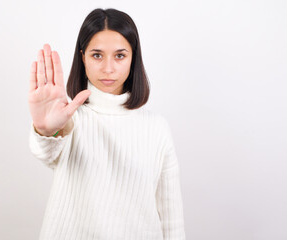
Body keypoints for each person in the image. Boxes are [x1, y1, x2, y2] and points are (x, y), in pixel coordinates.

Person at [28, 8, 186, 240]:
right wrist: (45, 130)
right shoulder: (70, 118)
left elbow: (172, 217)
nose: (108, 68)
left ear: (133, 58)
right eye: (97, 55)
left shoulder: (157, 128)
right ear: (83, 57)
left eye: (120, 55)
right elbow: (46, 152)